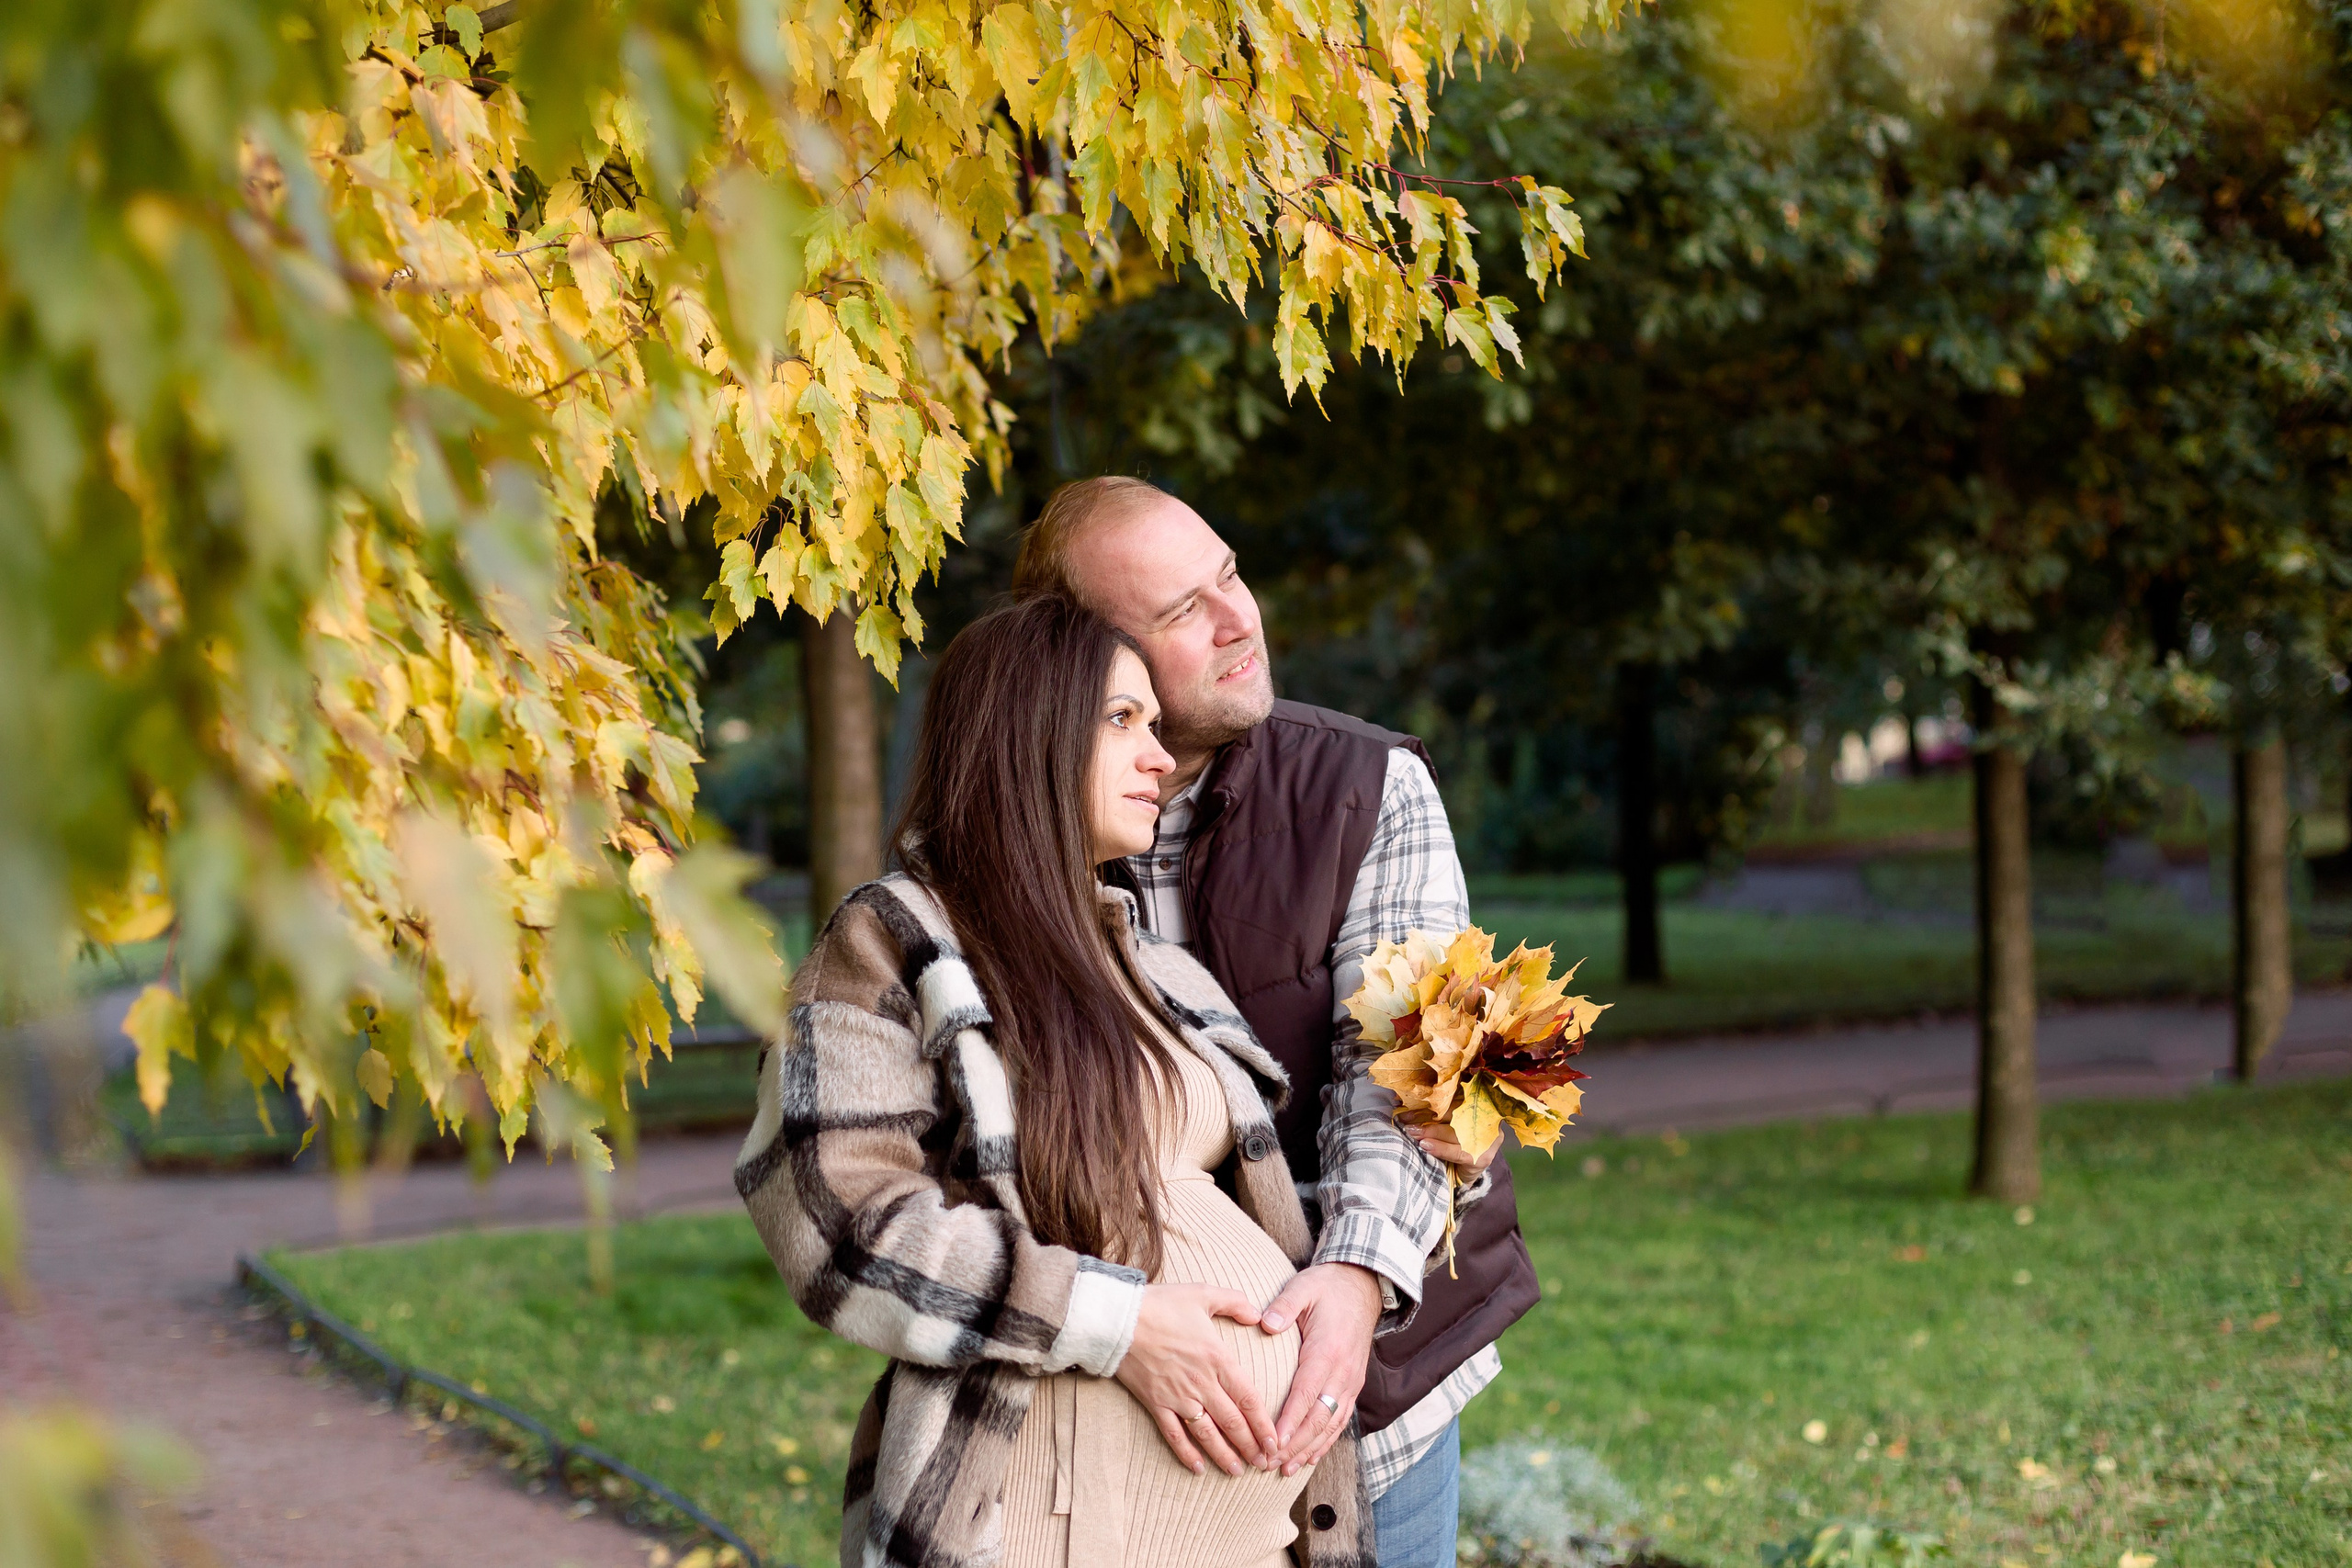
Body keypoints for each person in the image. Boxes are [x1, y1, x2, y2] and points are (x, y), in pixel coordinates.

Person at [735, 594, 1404, 1568]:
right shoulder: (891, 939)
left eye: (1156, 724)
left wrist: (1430, 1156)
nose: (1159, 758)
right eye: (1122, 720)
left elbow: (1238, 1203)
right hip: (1042, 1525)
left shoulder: (1150, 962)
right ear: (1026, 736)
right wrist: (1115, 1324)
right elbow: (837, 1220)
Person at [1011, 477, 1543, 1566]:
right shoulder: (1005, 833)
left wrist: (1351, 1284)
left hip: (1376, 1392)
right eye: (1181, 610)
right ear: (1081, 659)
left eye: (1231, 575)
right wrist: (1110, 1325)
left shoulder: (1367, 786)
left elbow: (1406, 1073)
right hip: (1114, 1420)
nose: (1237, 619)